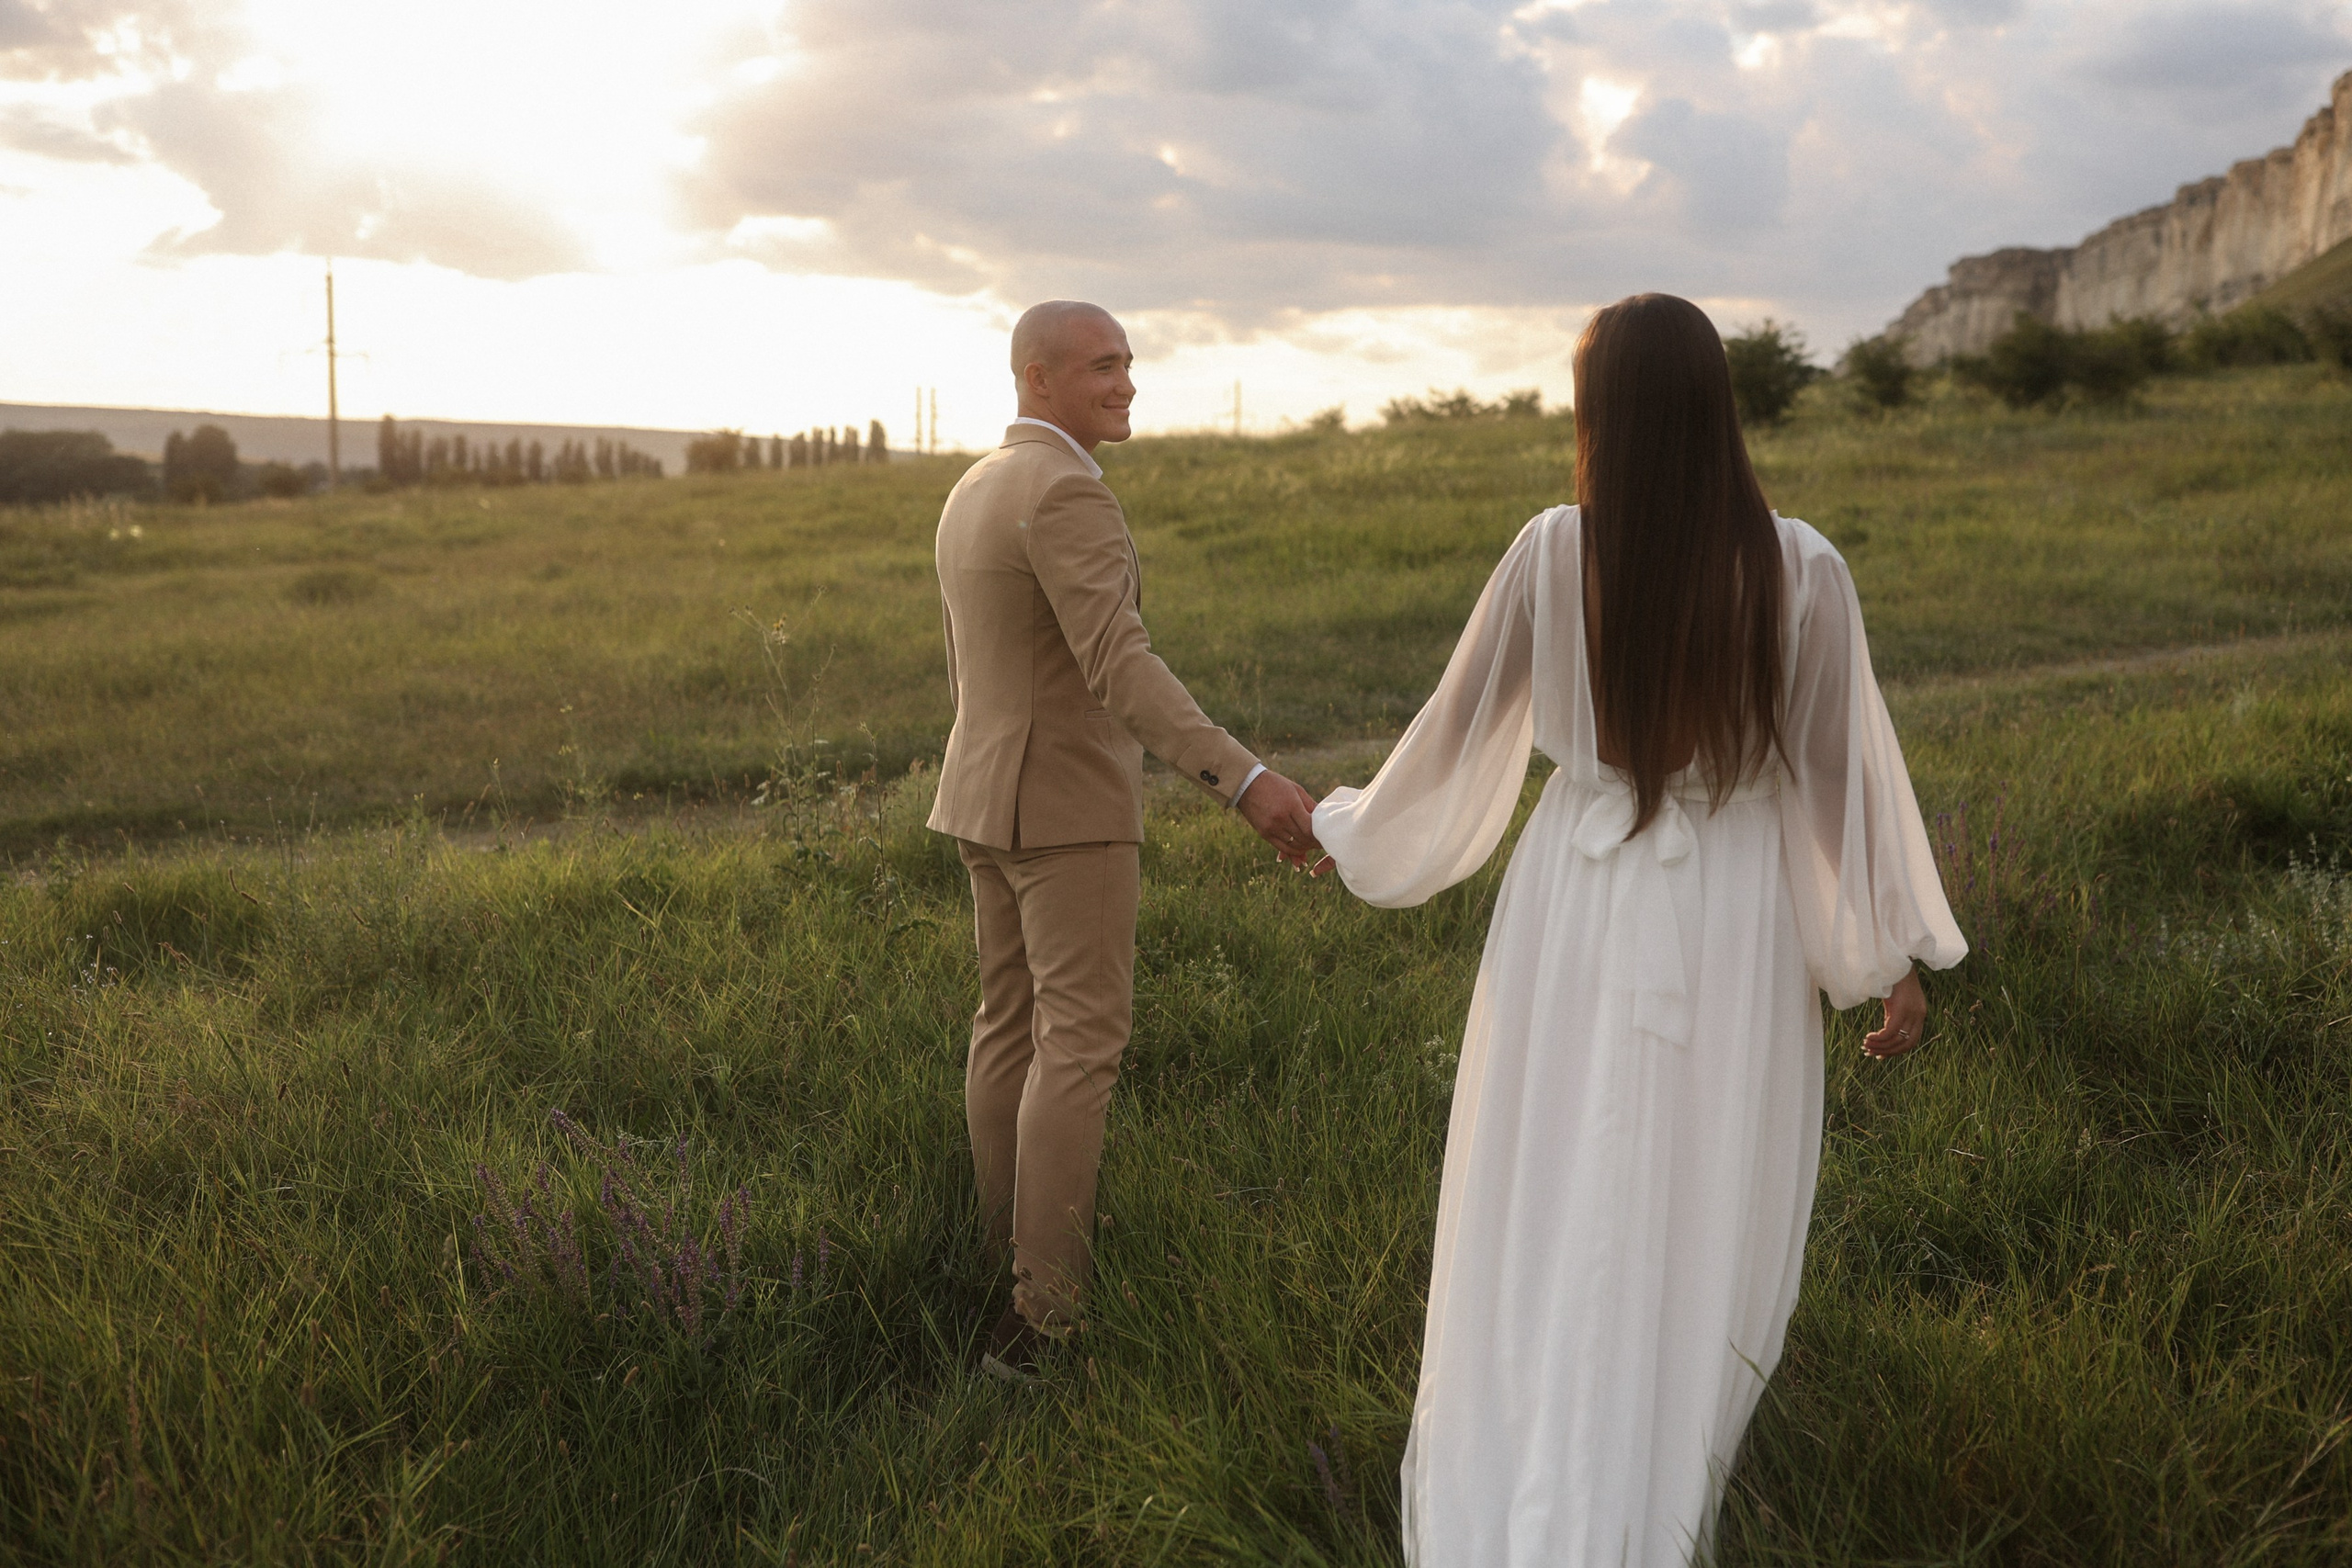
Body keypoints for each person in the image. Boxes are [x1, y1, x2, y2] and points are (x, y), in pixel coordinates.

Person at [1310, 293, 1968, 1566]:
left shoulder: (1550, 554)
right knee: (1697, 1168)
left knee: (1556, 1161)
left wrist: (1351, 825)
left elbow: (1452, 739)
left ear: (1596, 411)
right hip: (1729, 903)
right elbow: (1837, 775)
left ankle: (1546, 1424)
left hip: (1577, 891)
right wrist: (1888, 951)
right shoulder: (1801, 567)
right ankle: (1649, 1441)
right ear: (1718, 403)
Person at [929, 299, 1324, 1382]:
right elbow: (1120, 665)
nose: (1127, 383)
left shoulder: (976, 485)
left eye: (1128, 363)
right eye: (1102, 366)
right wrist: (1243, 780)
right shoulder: (1063, 489)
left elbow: (976, 665)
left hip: (983, 798)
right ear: (1038, 378)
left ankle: (1001, 1262)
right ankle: (1043, 1321)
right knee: (1079, 1046)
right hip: (1064, 811)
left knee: (1008, 1029)